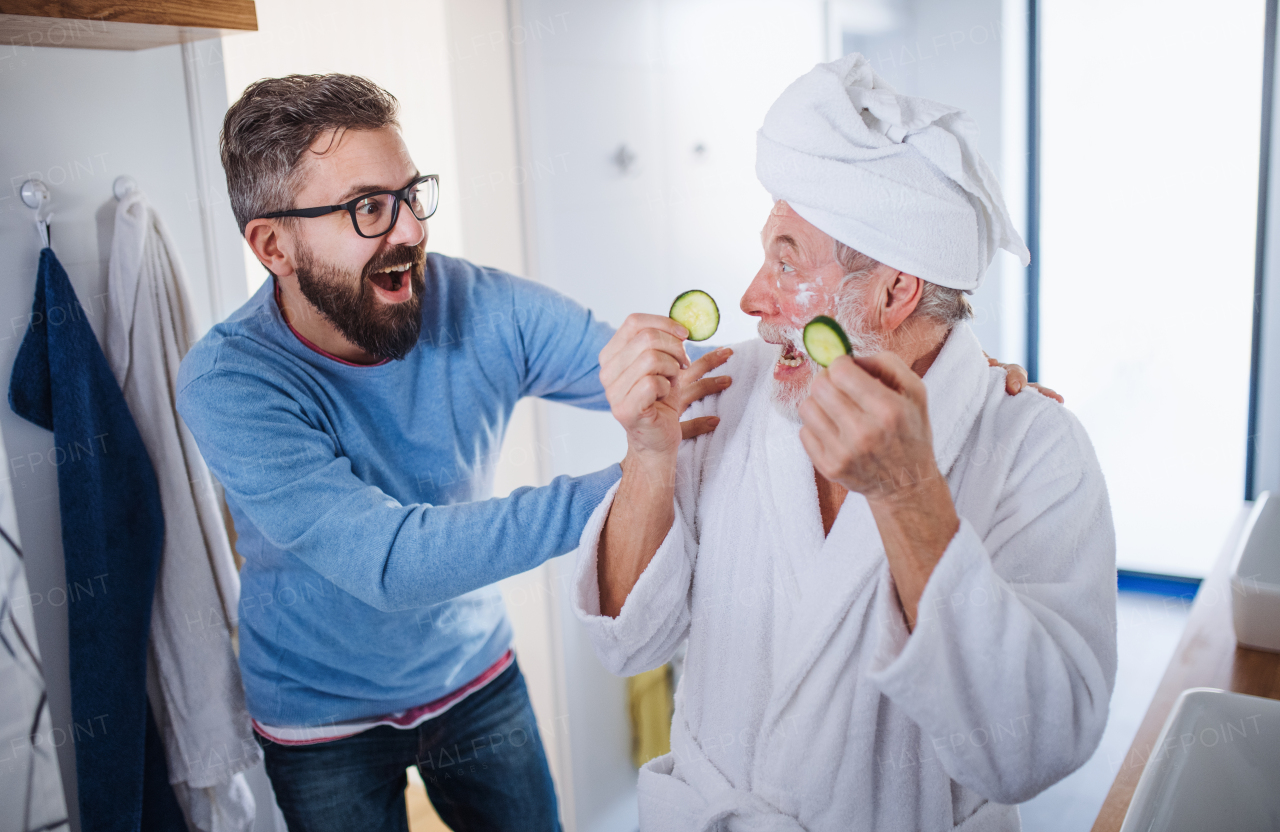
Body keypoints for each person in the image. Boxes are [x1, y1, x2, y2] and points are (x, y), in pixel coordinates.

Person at [178, 72, 1048, 831]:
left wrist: (925, 354)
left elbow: (663, 380)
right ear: (273, 246)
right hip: (320, 715)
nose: (408, 230)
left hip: (471, 675)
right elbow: (393, 560)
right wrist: (647, 466)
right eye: (370, 208)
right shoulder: (231, 382)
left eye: (413, 194)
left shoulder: (478, 305)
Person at [574, 53, 1116, 831]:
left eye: (786, 261)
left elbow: (1030, 749)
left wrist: (908, 496)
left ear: (894, 291)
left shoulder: (1035, 451)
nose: (751, 299)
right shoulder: (728, 396)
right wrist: (649, 457)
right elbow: (628, 643)